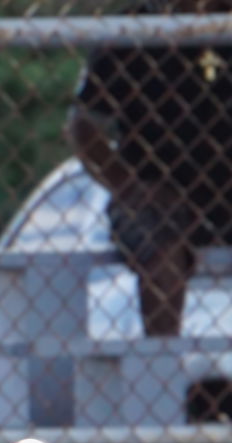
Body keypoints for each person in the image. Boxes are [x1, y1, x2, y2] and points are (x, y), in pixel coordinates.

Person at [68, 0, 232, 337]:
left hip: (223, 183)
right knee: (162, 251)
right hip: (155, 190)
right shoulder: (132, 30)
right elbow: (83, 128)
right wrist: (129, 187)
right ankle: (162, 369)